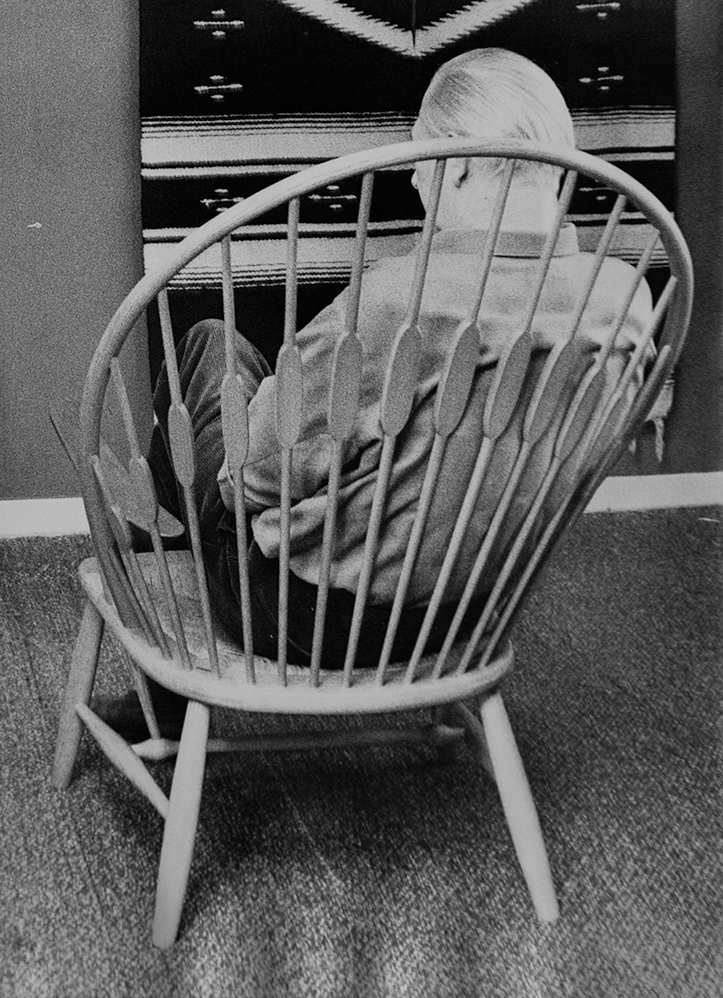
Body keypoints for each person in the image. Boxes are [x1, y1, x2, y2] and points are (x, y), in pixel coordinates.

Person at [106, 49, 653, 734]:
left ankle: (163, 678)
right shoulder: (628, 302)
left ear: (458, 164)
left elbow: (252, 480)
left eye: (422, 160)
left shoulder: (401, 300)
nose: (417, 180)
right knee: (273, 397)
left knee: (210, 347)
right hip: (474, 613)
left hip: (313, 616)